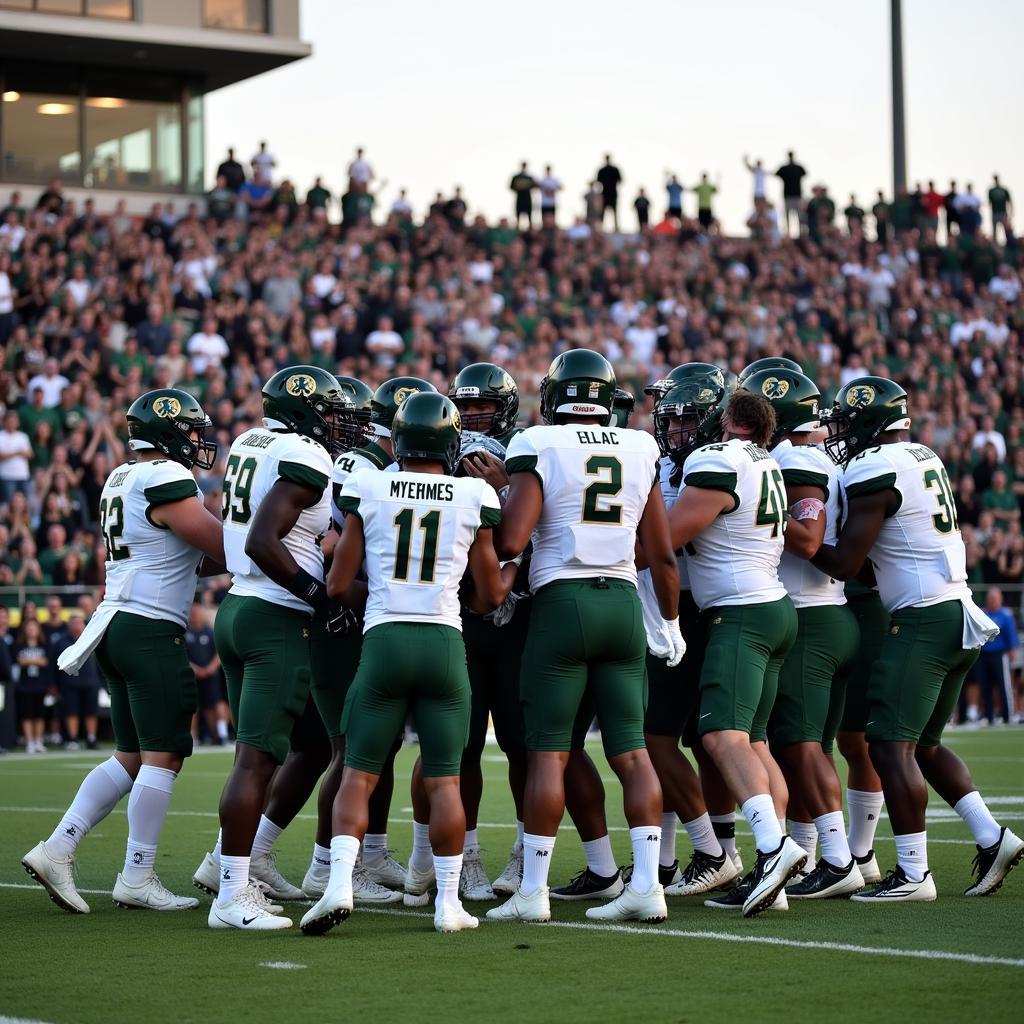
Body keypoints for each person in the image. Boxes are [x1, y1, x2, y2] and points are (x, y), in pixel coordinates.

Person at [300, 392, 513, 935]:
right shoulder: (471, 494)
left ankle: (340, 884)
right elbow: (489, 597)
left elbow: (338, 583)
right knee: (445, 781)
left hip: (385, 639)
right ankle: (447, 903)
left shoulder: (368, 486)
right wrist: (503, 575)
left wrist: (382, 599)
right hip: (444, 643)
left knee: (358, 772)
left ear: (396, 439)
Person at [486, 349, 683, 925]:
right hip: (622, 600)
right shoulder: (641, 446)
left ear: (553, 397)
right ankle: (647, 886)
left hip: (562, 602)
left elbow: (512, 540)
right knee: (632, 751)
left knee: (549, 752)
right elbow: (663, 555)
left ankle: (534, 891)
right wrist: (667, 623)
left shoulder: (538, 443)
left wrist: (501, 495)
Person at [814, 377, 1024, 901]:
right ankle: (993, 836)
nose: (840, 432)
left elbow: (844, 563)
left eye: (845, 420)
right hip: (957, 609)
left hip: (924, 622)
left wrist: (793, 540)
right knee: (925, 747)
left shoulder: (873, 468)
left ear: (867, 422)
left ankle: (913, 874)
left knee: (888, 746)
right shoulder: (922, 454)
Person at [21, 388, 223, 914]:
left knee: (132, 755)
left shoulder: (121, 476)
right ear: (169, 431)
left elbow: (177, 554)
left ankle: (58, 847)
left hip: (115, 621)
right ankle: (137, 875)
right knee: (166, 753)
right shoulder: (166, 477)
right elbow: (219, 547)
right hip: (150, 625)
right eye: (192, 429)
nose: (199, 439)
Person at [204, 367, 353, 930]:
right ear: (305, 409)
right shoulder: (303, 455)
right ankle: (231, 893)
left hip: (241, 606)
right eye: (330, 410)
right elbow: (263, 541)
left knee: (311, 744)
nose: (336, 422)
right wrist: (319, 595)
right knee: (256, 758)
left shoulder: (250, 441)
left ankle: (246, 860)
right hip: (274, 614)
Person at [664, 387, 806, 917]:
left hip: (741, 610)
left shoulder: (718, 458)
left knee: (720, 736)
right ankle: (778, 875)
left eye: (718, 418)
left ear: (735, 424)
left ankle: (771, 851)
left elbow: (670, 537)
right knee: (756, 742)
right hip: (772, 604)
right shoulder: (763, 460)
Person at [301, 375, 434, 904]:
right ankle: (325, 866)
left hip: (363, 614)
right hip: (343, 615)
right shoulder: (364, 467)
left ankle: (371, 852)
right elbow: (329, 542)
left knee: (375, 746)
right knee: (351, 749)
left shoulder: (384, 469)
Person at [742, 367, 865, 898]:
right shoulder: (811, 457)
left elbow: (810, 538)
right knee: (809, 746)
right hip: (826, 613)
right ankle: (816, 852)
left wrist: (757, 512)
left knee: (800, 745)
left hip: (811, 616)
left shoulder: (794, 458)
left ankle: (838, 860)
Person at [54, 615, 102, 751]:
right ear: (69, 625)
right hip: (69, 683)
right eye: (73, 623)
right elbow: (54, 664)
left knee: (91, 712)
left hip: (91, 682)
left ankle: (91, 738)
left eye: (79, 623)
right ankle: (73, 739)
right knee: (71, 712)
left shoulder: (92, 639)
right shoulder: (62, 642)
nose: (76, 625)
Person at [973, 588, 1018, 725]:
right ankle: (988, 716)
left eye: (994, 598)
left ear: (1000, 600)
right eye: (990, 598)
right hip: (983, 655)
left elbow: (1010, 634)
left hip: (1000, 655)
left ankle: (1008, 715)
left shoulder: (1005, 615)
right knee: (985, 686)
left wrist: (1012, 650)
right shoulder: (982, 614)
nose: (992, 601)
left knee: (1003, 686)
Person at [186, 603, 229, 746]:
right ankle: (193, 737)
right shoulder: (185, 633)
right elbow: (182, 655)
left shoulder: (210, 632)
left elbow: (219, 654)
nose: (195, 615)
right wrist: (195, 669)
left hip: (211, 676)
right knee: (193, 707)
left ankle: (221, 735)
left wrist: (210, 668)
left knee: (216, 704)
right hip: (192, 676)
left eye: (197, 612)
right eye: (192, 613)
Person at [15, 618, 51, 754]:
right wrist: (36, 661)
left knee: (40, 714)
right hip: (25, 685)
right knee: (27, 714)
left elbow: (46, 662)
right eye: (29, 628)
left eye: (34, 628)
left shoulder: (44, 646)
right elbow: (19, 661)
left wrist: (29, 661)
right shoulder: (19, 646)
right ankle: (29, 741)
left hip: (40, 684)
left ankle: (38, 741)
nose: (31, 630)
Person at [0, 409, 32, 503]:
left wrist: (10, 453)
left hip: (23, 475)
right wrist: (18, 453)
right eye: (9, 421)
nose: (12, 423)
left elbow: (30, 454)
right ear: (4, 422)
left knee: (25, 503)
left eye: (14, 421)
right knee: (8, 503)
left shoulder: (23, 436)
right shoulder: (1, 436)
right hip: (7, 476)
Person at [776, 150, 806, 237]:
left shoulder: (797, 168)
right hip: (790, 196)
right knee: (789, 216)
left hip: (795, 196)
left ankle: (799, 233)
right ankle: (789, 234)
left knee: (798, 216)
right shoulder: (787, 168)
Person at [597, 155, 622, 231]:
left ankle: (615, 227)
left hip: (609, 193)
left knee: (613, 212)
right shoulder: (610, 169)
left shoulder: (603, 170)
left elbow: (598, 181)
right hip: (608, 193)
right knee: (606, 212)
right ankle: (602, 227)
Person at [509, 162, 535, 230]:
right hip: (519, 198)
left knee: (529, 216)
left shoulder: (529, 177)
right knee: (518, 215)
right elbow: (511, 187)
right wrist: (520, 187)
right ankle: (517, 229)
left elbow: (534, 186)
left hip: (527, 198)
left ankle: (530, 229)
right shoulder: (516, 177)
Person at [988, 175, 1012, 244]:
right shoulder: (991, 190)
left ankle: (1008, 244)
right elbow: (989, 202)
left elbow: (1009, 201)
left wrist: (1010, 214)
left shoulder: (1004, 190)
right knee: (994, 231)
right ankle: (995, 244)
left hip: (1003, 212)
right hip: (995, 213)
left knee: (1006, 231)